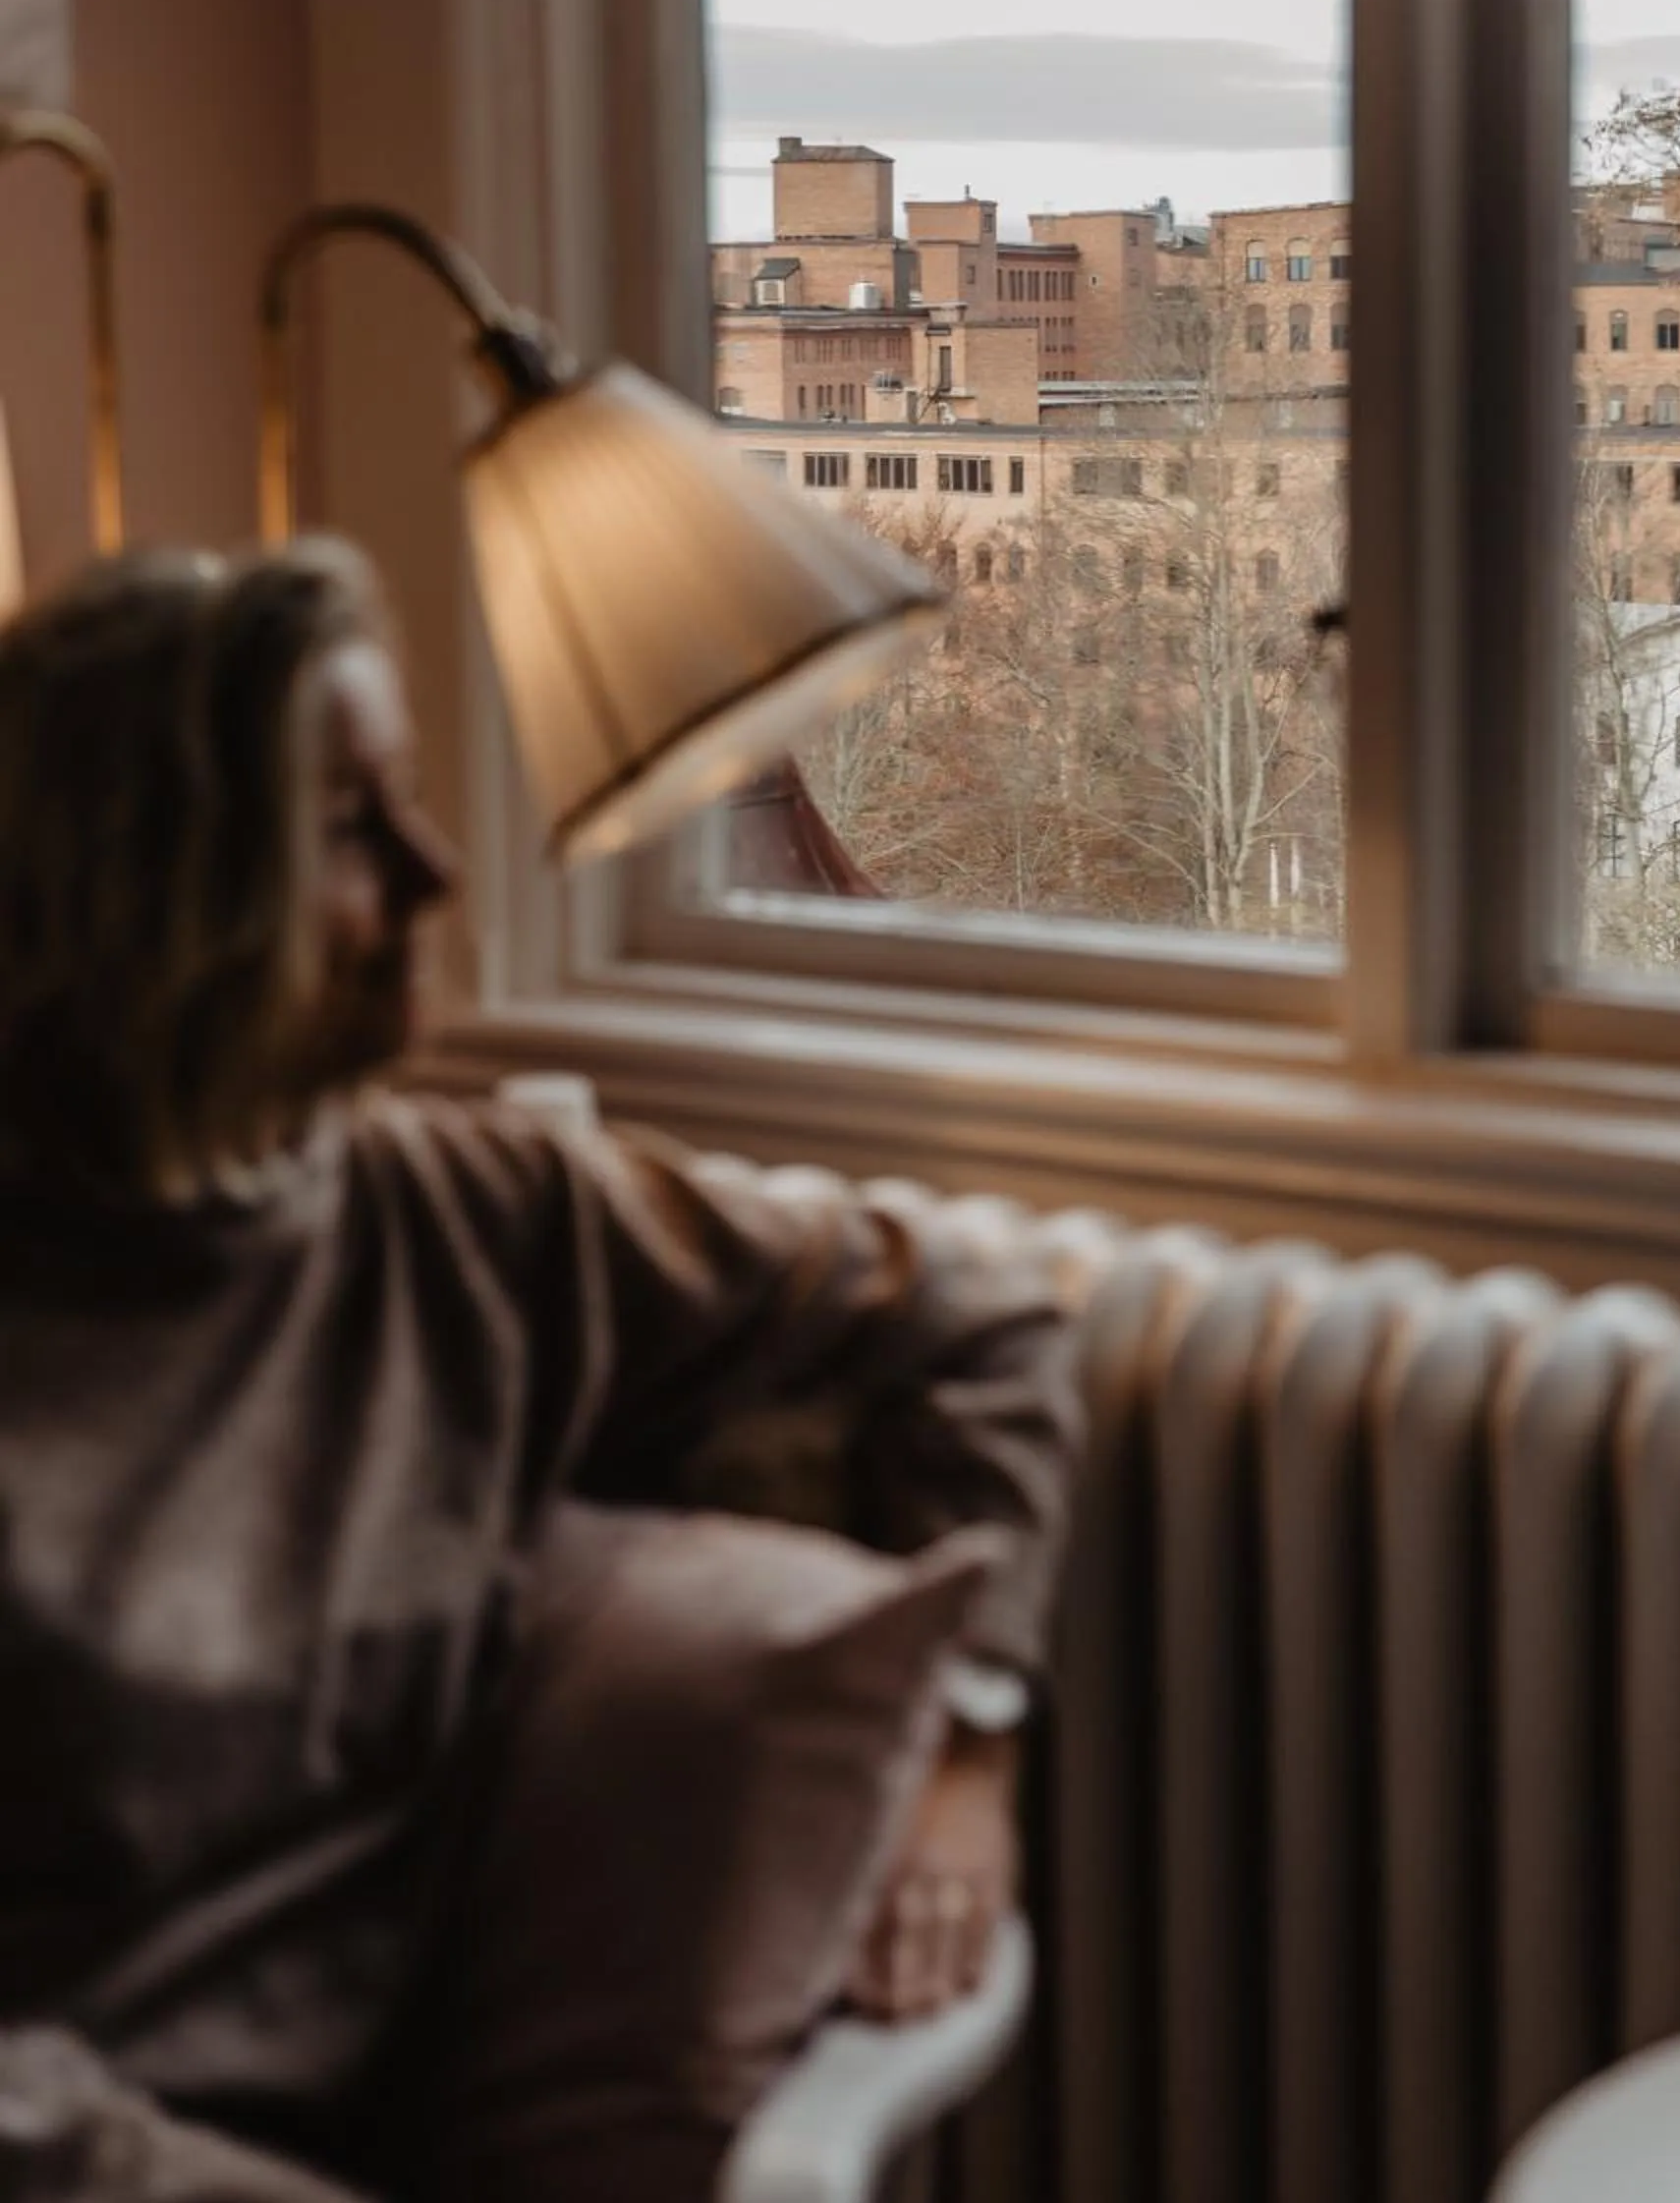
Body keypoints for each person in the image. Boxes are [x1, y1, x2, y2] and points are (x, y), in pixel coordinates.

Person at [0, 543, 1079, 2200]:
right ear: (168, 884)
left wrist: (974, 1735)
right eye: (353, 828)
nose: (437, 873)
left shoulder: (476, 1218)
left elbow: (976, 1317)